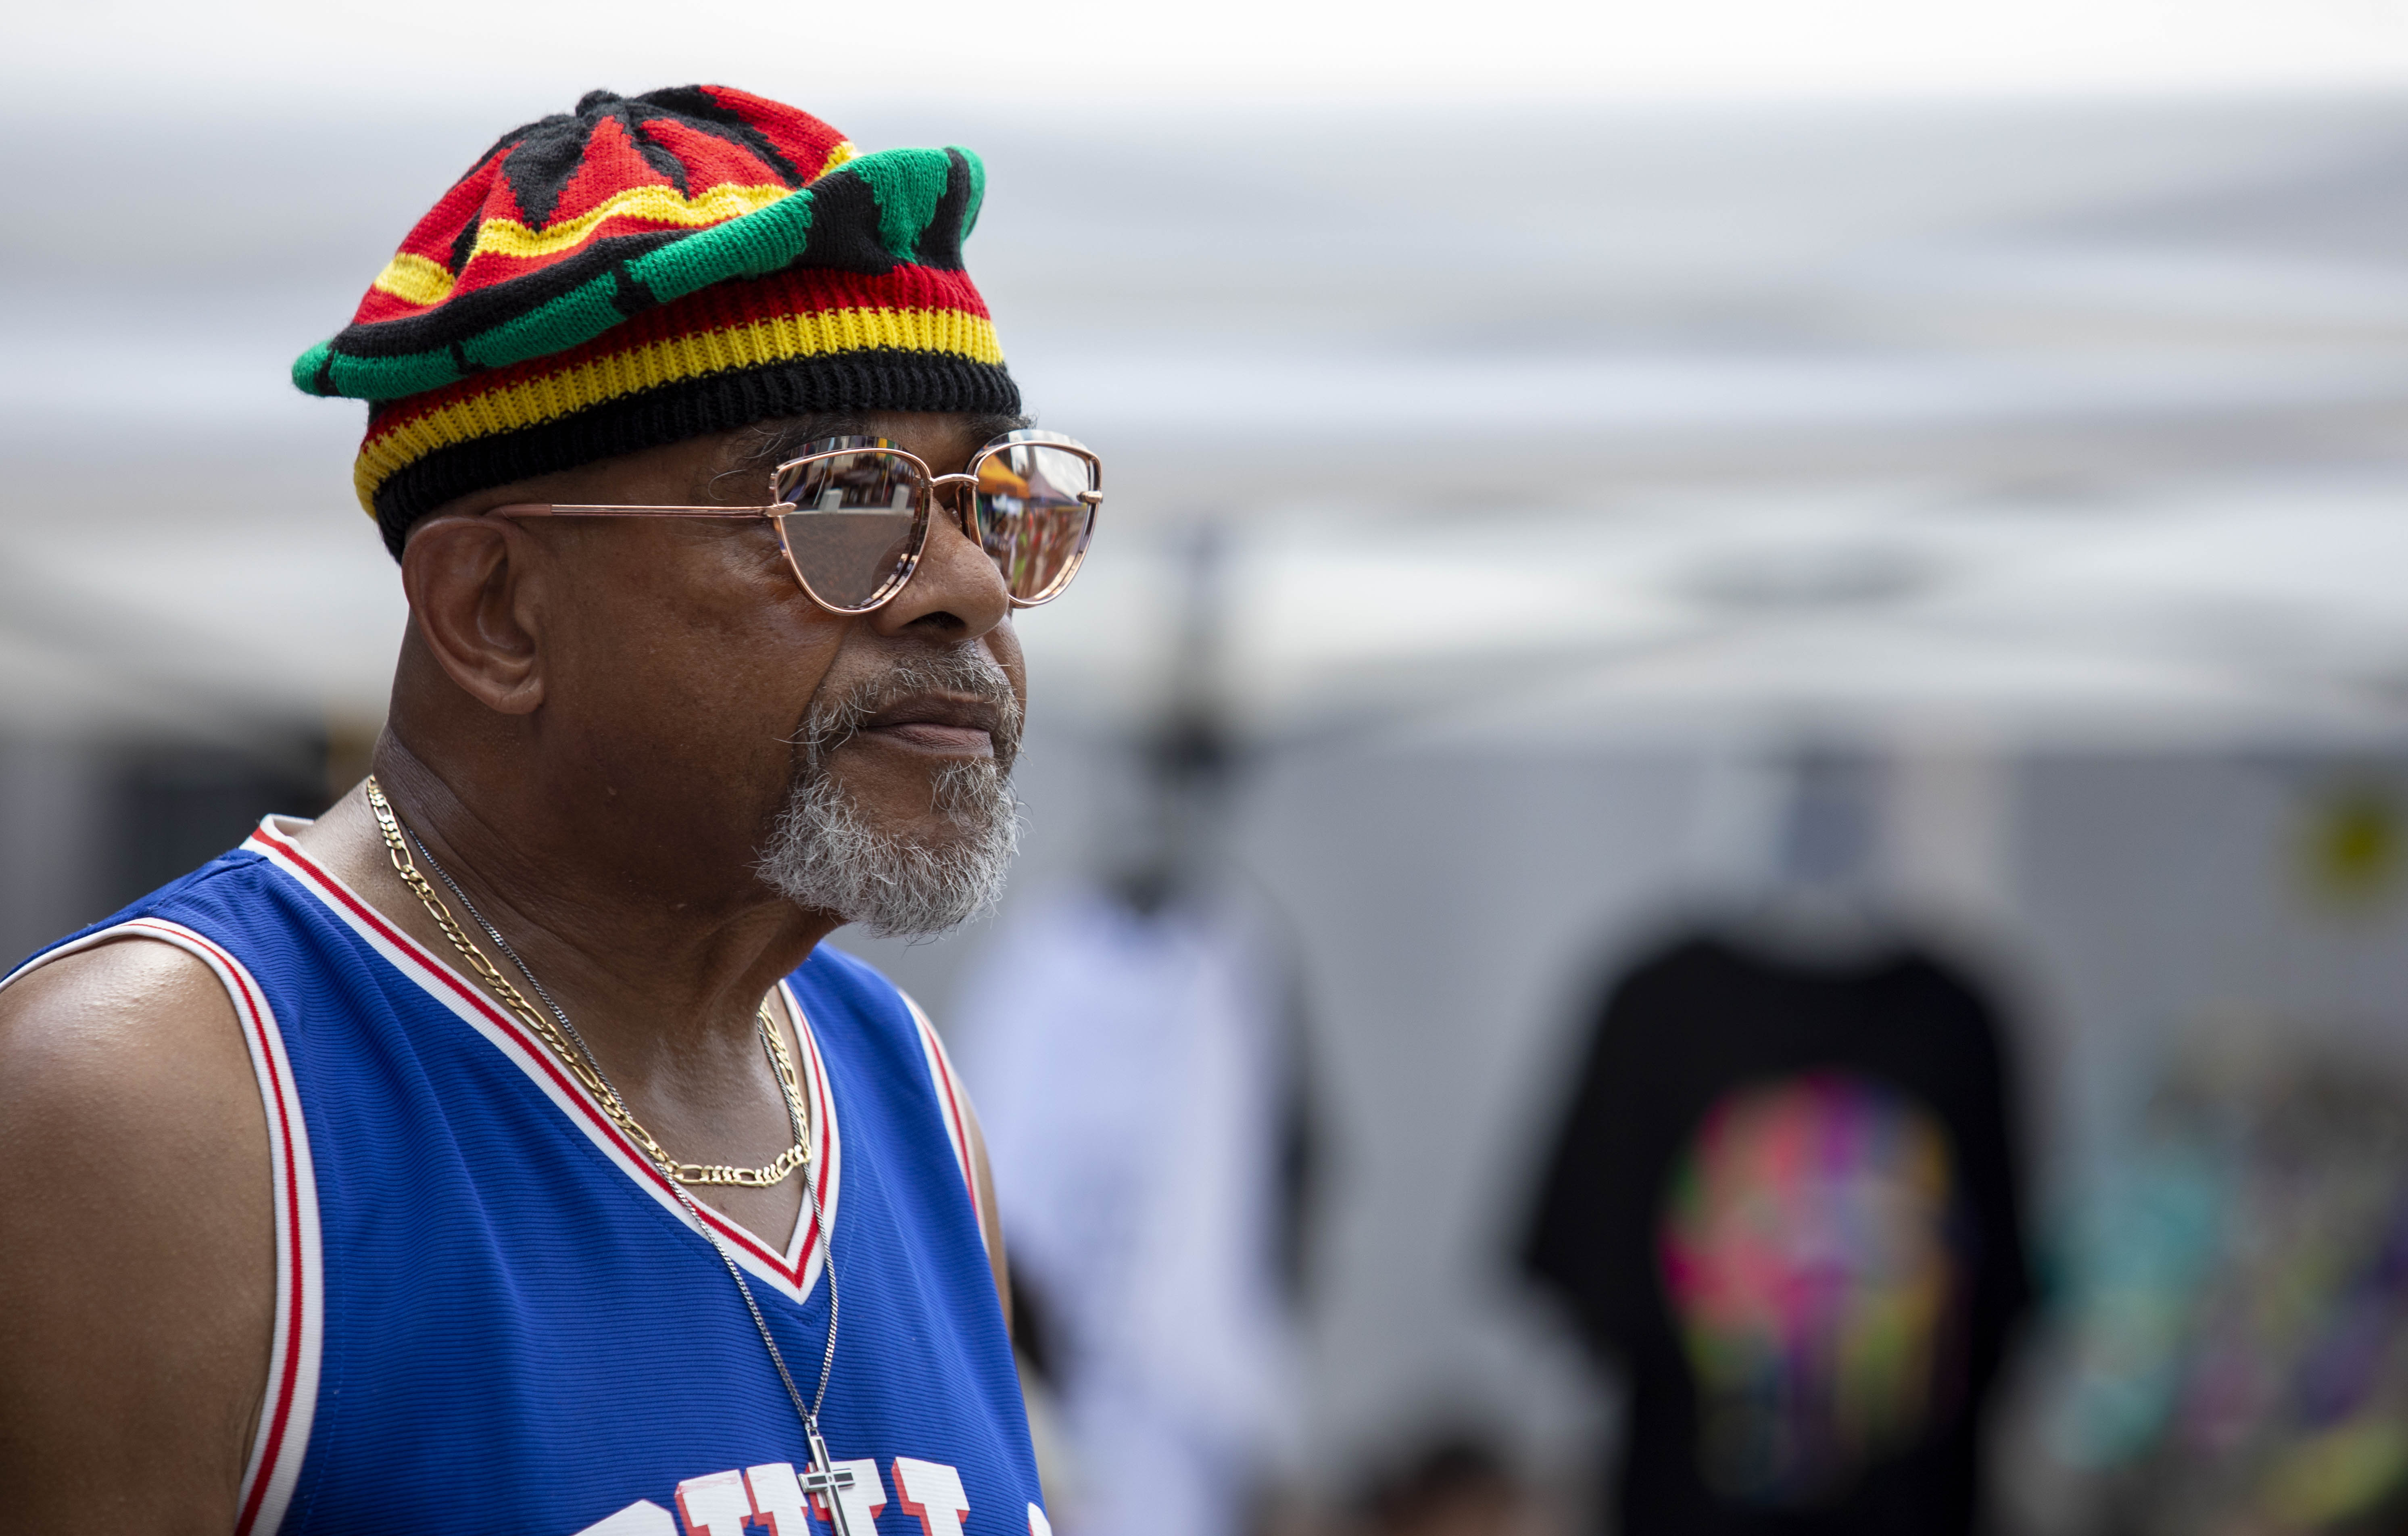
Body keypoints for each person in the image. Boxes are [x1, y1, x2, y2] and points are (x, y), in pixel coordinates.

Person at [0, 86, 1100, 1536]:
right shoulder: (155, 1108)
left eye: (985, 499)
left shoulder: (895, 1083)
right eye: (842, 500)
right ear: (495, 612)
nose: (965, 585)